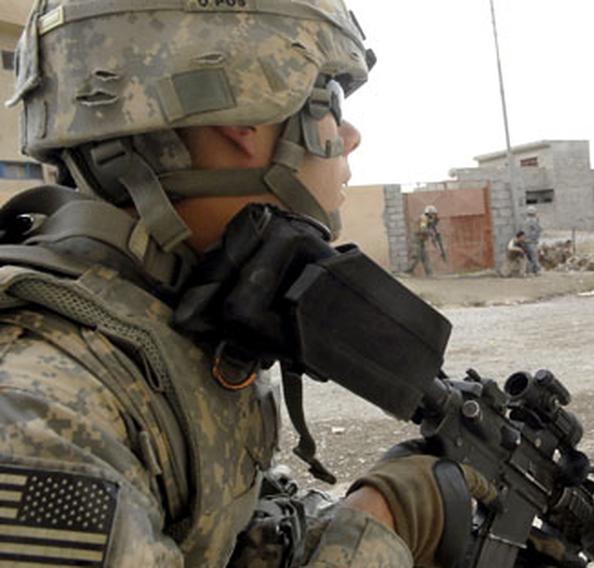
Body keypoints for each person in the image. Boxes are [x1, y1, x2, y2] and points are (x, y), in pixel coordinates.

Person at [0, 1, 486, 566]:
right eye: (329, 99)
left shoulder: (157, 323)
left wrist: (364, 512)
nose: (349, 136)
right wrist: (379, 527)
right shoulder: (42, 415)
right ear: (244, 117)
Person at [405, 205, 441, 277]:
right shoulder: (423, 219)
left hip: (421, 241)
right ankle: (407, 272)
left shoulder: (427, 220)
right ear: (429, 213)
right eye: (433, 214)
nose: (434, 216)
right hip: (416, 240)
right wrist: (431, 233)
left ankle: (430, 273)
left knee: (425, 257)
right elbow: (423, 229)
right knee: (415, 256)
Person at [521, 205, 543, 275]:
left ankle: (530, 270)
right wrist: (535, 238)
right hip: (531, 241)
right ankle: (536, 270)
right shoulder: (533, 221)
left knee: (529, 257)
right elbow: (538, 230)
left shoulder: (525, 221)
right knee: (534, 256)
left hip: (525, 241)